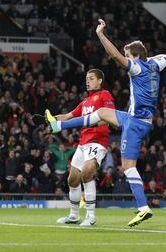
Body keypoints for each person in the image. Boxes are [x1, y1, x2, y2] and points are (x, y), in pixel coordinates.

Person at [46, 19, 166, 227]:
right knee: (102, 113)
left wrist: (100, 35)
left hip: (135, 123)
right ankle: (58, 126)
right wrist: (150, 57)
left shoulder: (138, 68)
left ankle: (143, 208)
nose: (127, 59)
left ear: (135, 57)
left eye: (129, 56)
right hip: (136, 118)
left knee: (128, 167)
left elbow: (114, 55)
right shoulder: (154, 65)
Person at [53, 69, 115, 226]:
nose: (88, 81)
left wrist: (92, 122)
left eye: (91, 78)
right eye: (87, 79)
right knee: (72, 179)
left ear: (100, 80)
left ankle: (91, 216)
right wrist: (51, 121)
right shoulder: (85, 102)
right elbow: (67, 117)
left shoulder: (105, 95)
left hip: (97, 142)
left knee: (87, 173)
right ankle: (73, 215)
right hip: (82, 144)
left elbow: (110, 117)